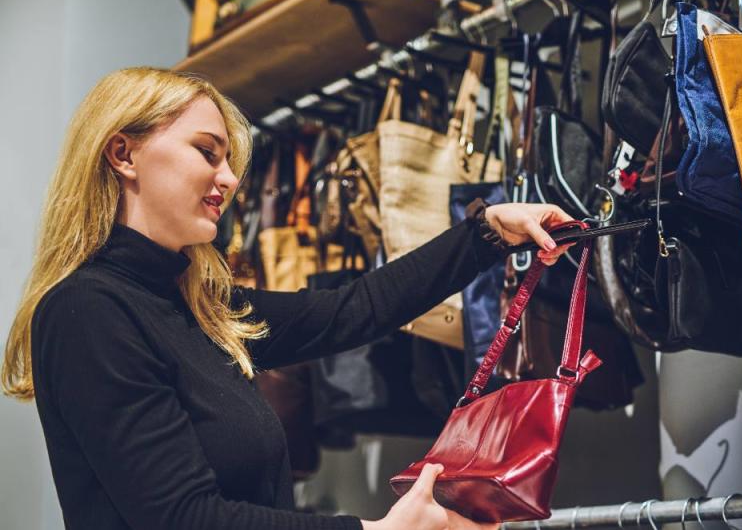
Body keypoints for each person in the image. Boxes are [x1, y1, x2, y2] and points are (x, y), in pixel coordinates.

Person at [0, 67, 575, 530]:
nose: (228, 179)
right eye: (208, 152)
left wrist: (487, 233)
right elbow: (180, 518)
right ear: (123, 154)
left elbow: (352, 309)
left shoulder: (198, 305)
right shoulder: (88, 312)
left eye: (229, 160)